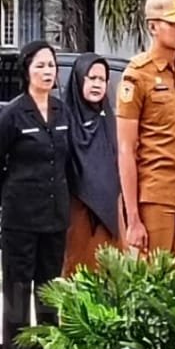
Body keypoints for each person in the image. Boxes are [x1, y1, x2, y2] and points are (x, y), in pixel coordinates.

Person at [0, 41, 70, 349]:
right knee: (19, 283)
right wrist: (10, 189)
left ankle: (49, 347)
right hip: (21, 211)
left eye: (51, 66)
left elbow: (68, 158)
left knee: (49, 284)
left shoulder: (62, 111)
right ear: (26, 71)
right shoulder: (13, 112)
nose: (47, 72)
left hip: (55, 210)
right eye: (40, 66)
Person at [117, 0, 175, 265]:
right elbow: (126, 150)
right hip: (157, 197)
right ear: (153, 26)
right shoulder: (137, 75)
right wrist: (132, 217)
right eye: (174, 23)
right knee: (156, 284)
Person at [61, 53, 120, 276]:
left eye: (102, 79)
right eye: (91, 78)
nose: (97, 84)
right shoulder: (66, 119)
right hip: (77, 211)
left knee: (110, 275)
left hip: (111, 214)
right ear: (78, 80)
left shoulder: (109, 119)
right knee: (79, 273)